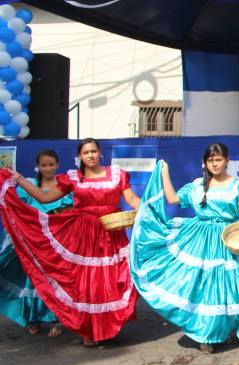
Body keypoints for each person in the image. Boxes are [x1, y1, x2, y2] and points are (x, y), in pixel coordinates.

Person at [0, 138, 140, 346]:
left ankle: (105, 327)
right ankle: (88, 331)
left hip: (111, 235)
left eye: (93, 151)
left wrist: (145, 210)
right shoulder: (73, 178)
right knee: (86, 283)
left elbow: (132, 199)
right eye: (86, 152)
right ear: (80, 157)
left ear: (100, 153)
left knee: (109, 281)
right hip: (83, 236)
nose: (91, 155)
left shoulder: (117, 175)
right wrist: (20, 179)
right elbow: (44, 198)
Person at [130, 144, 239, 353]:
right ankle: (206, 334)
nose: (214, 164)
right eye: (211, 160)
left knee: (226, 284)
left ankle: (222, 328)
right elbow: (173, 199)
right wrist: (164, 173)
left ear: (227, 160)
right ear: (205, 163)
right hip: (199, 239)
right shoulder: (197, 186)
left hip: (227, 239)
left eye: (218, 159)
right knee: (202, 285)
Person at [0, 150, 70, 337]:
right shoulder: (27, 186)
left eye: (51, 164)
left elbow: (68, 212)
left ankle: (56, 320)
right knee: (33, 280)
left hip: (54, 243)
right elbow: (16, 208)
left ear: (57, 165)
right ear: (38, 166)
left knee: (54, 281)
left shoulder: (63, 186)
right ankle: (34, 319)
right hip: (32, 242)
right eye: (44, 165)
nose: (48, 168)